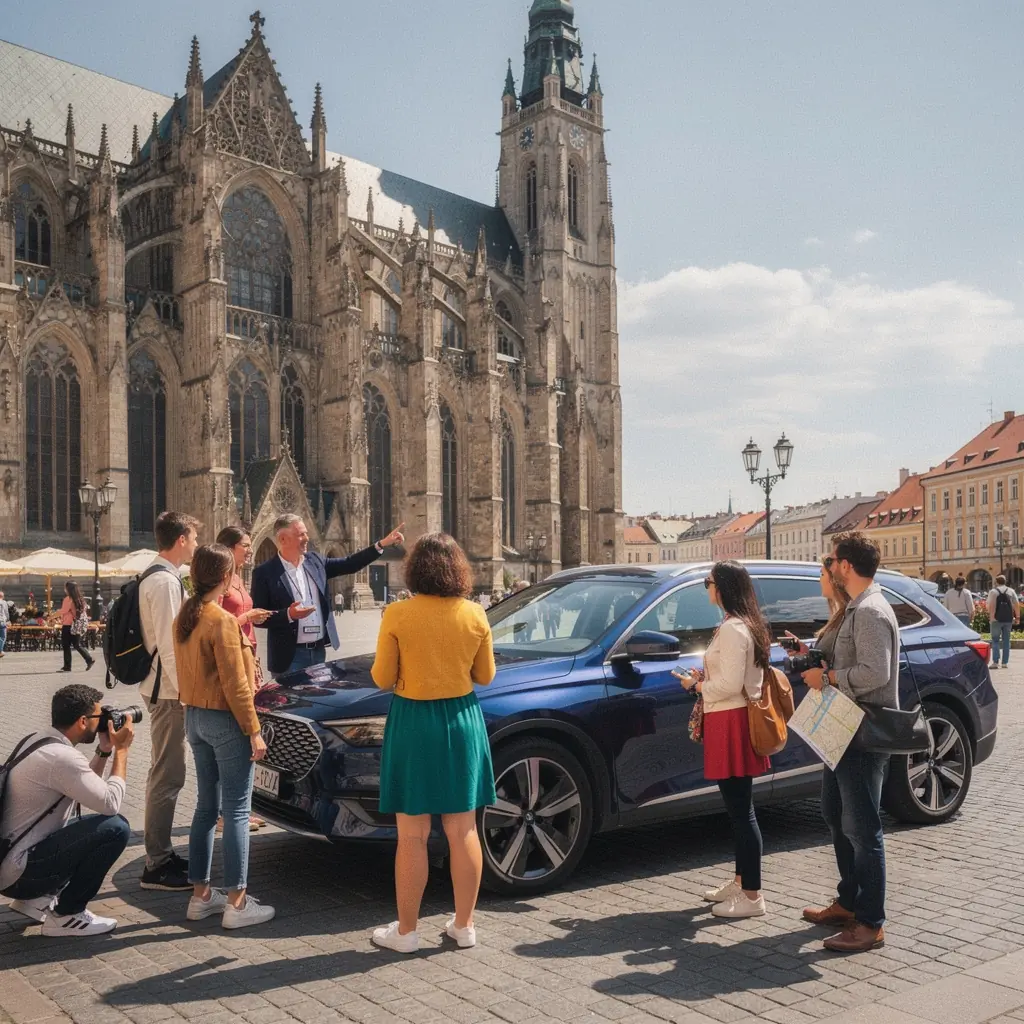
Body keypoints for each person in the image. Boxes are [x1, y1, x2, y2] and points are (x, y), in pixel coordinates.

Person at [369, 533, 496, 953]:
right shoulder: (475, 614)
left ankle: (406, 932)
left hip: (414, 721)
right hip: (461, 718)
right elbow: (486, 677)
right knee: (463, 830)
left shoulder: (398, 614)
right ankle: (464, 925)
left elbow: (382, 678)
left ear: (415, 569)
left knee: (412, 835)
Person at [800, 532, 898, 953]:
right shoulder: (856, 608)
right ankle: (848, 900)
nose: (830, 565)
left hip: (863, 731)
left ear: (846, 566)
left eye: (833, 560)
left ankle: (870, 923)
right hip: (841, 729)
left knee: (863, 828)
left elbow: (876, 673)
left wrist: (829, 678)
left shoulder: (872, 611)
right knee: (834, 813)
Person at [174, 545, 274, 929]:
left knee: (205, 808)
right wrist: (254, 731)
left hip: (194, 718)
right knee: (235, 811)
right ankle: (237, 901)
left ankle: (200, 896)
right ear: (224, 577)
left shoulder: (185, 616)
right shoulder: (222, 621)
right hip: (223, 719)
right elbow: (236, 686)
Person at [675, 561, 770, 920]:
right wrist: (705, 675)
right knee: (738, 812)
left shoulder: (734, 628)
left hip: (730, 719)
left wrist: (696, 685)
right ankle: (741, 881)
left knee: (741, 813)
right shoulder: (741, 624)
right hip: (729, 718)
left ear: (724, 587)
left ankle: (752, 895)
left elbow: (730, 686)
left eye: (708, 582)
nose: (707, 588)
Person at [0, 684, 133, 936]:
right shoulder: (62, 757)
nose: (102, 721)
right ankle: (67, 914)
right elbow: (110, 803)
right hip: (20, 873)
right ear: (83, 721)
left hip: (10, 861)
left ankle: (35, 900)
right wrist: (122, 752)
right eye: (98, 716)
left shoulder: (37, 740)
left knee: (92, 826)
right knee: (116, 828)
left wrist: (104, 749)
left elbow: (86, 789)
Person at [251, 514, 405, 678]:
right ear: (283, 539)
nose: (307, 538)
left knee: (319, 702)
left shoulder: (315, 561)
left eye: (306, 533)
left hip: (318, 652)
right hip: (289, 656)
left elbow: (349, 564)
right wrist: (288, 615)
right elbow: (259, 618)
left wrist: (381, 544)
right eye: (301, 535)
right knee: (292, 703)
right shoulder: (264, 573)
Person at [139, 511, 200, 892]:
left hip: (164, 689)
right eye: (193, 538)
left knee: (168, 773)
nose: (195, 544)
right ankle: (156, 865)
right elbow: (170, 645)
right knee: (167, 775)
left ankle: (161, 854)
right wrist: (186, 692)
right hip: (167, 693)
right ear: (180, 540)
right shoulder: (164, 582)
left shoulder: (163, 577)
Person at [58, 582, 94, 673]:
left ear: (68, 589)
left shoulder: (68, 599)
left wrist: (50, 617)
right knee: (77, 645)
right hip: (77, 625)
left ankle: (67, 666)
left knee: (66, 645)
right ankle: (89, 659)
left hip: (68, 625)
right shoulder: (80, 600)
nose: (64, 590)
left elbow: (62, 611)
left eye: (65, 588)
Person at [987, 574, 1019, 670]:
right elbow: (1016, 604)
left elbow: (990, 605)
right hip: (1008, 619)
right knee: (1006, 641)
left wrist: (991, 617)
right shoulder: (1011, 591)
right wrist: (1017, 617)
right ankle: (1005, 663)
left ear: (996, 582)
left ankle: (995, 662)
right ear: (1005, 581)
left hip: (996, 619)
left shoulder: (993, 592)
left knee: (995, 640)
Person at [0, 589, 9, 657]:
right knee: (3, 637)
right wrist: (8, 620)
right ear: (2, 597)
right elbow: (6, 612)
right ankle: (0, 651)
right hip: (2, 621)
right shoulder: (4, 602)